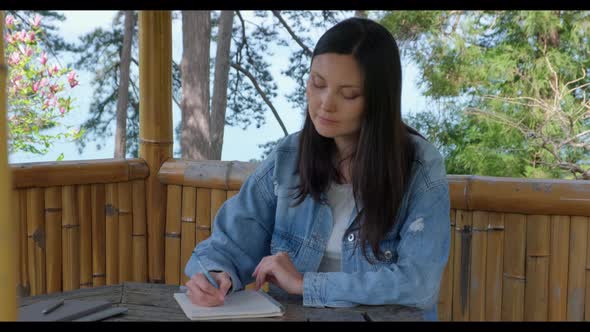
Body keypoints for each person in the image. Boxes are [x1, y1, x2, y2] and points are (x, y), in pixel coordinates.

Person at [184, 17, 450, 321]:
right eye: (317, 84)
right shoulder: (288, 157)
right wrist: (216, 274)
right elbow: (230, 242)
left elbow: (418, 284)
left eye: (348, 94)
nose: (325, 104)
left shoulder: (419, 167)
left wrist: (305, 284)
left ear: (379, 100)